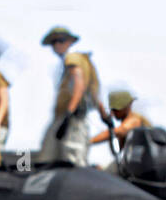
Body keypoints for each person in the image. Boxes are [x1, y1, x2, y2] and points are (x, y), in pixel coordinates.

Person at [37, 26, 108, 166]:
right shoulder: (84, 62)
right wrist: (105, 116)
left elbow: (79, 85)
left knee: (72, 160)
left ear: (69, 42)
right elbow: (94, 93)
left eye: (61, 40)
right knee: (48, 155)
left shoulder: (72, 59)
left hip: (73, 119)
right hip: (65, 117)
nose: (57, 45)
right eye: (54, 42)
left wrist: (69, 115)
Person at [92, 89, 154, 171]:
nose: (112, 113)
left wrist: (88, 141)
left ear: (126, 107)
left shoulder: (134, 120)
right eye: (112, 110)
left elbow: (117, 132)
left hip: (141, 167)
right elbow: (116, 151)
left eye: (116, 110)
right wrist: (110, 126)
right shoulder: (127, 123)